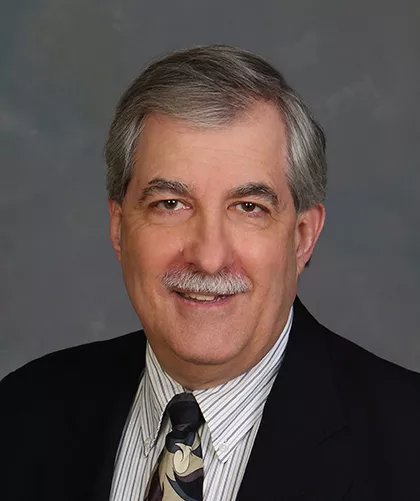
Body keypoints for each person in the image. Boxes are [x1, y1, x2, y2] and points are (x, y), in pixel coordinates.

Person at [1, 45, 419, 501]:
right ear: (119, 228)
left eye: (249, 207)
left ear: (302, 237)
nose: (209, 257)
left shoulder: (406, 443)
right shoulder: (22, 413)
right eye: (170, 204)